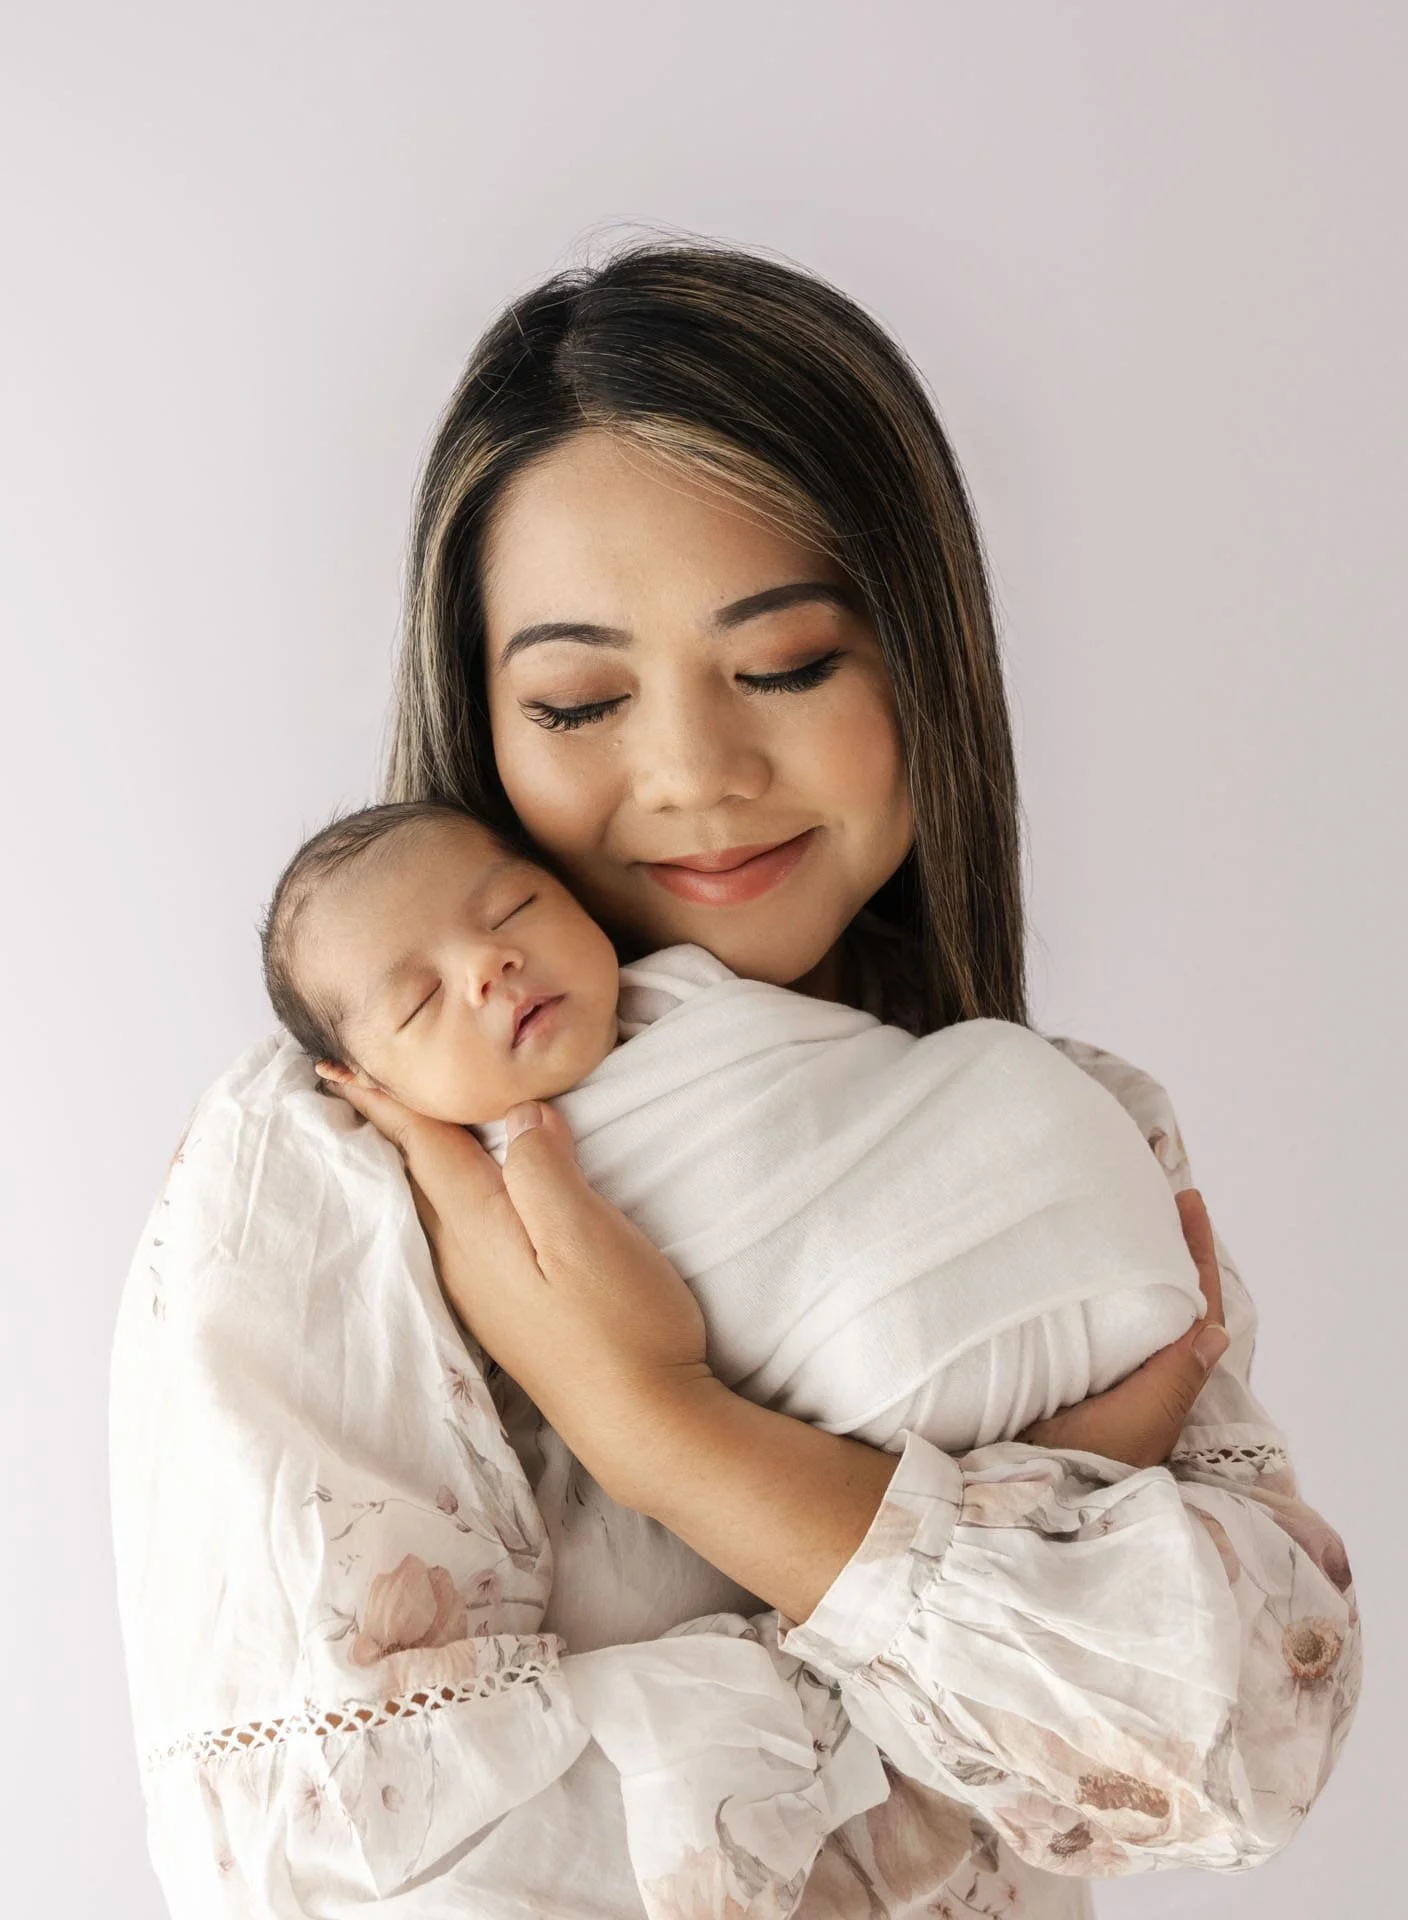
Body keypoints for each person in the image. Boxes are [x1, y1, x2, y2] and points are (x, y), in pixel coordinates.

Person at [110, 241, 1360, 1920]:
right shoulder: (332, 1178)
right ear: (483, 730)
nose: (694, 774)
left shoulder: (1059, 1129)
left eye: (784, 666)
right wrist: (963, 1612)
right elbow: (356, 1870)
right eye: (578, 699)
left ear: (927, 666)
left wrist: (660, 1426)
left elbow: (1232, 1737)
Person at [260, 794, 1207, 1459]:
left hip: (1071, 1190)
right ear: (366, 1084)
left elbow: (854, 1084)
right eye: (422, 1000)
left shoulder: (682, 981)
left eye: (516, 906)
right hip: (898, 1352)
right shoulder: (489, 1199)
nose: (490, 962)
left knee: (1006, 1070)